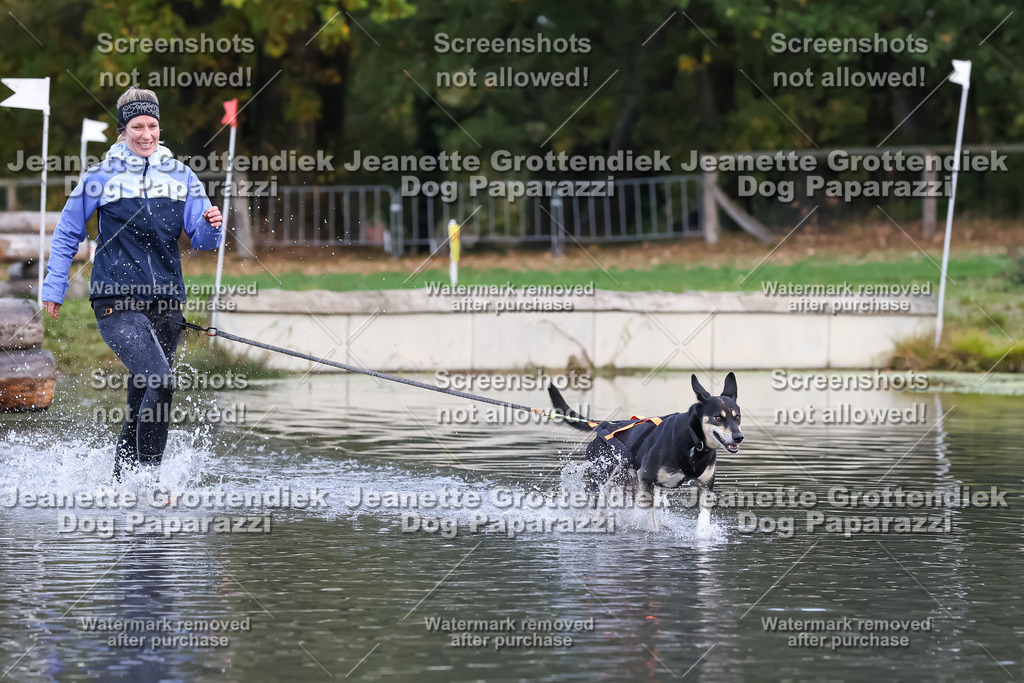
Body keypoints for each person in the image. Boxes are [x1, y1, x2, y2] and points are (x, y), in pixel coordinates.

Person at [41, 87, 223, 482]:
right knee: (161, 381)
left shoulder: (181, 175)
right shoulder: (101, 175)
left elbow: (202, 240)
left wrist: (213, 226)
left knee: (145, 396)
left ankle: (122, 486)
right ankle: (151, 484)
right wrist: (54, 287)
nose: (146, 134)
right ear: (123, 131)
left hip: (167, 304)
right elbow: (68, 232)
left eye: (152, 125)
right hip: (116, 301)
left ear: (160, 128)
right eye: (137, 126)